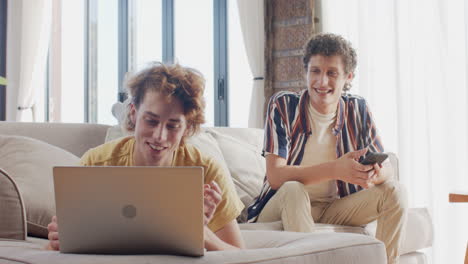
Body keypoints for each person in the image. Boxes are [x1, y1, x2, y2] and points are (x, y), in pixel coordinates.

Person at [46, 62, 245, 251]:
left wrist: (200, 234)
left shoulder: (206, 171)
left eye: (173, 126)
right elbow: (53, 248)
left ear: (187, 128)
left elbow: (241, 255)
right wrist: (59, 241)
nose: (160, 136)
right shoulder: (96, 164)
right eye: (151, 121)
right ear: (133, 114)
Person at [247, 33, 407, 264]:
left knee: (396, 191)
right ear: (306, 73)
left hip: (336, 207)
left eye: (331, 73)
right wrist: (336, 169)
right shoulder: (283, 105)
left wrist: (373, 173)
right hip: (284, 203)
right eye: (315, 71)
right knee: (293, 189)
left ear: (348, 77)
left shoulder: (357, 108)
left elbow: (387, 168)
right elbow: (275, 177)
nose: (322, 82)